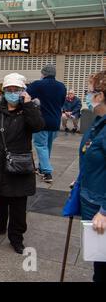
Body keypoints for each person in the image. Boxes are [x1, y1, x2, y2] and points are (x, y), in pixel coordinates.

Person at [0, 73, 45, 254]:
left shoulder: (29, 109)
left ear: (23, 91)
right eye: (9, 90)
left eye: (16, 90)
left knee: (18, 204)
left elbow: (38, 126)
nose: (12, 93)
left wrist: (28, 104)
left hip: (18, 164)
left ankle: (16, 237)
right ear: (3, 91)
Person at [78, 70, 106, 282]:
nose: (87, 96)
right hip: (92, 197)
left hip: (100, 207)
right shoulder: (99, 122)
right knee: (99, 265)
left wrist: (105, 211)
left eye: (89, 91)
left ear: (100, 95)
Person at [26, 64, 66, 183]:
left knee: (40, 145)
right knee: (47, 146)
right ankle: (42, 168)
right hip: (55, 121)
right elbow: (62, 103)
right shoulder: (61, 86)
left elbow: (26, 97)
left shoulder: (38, 84)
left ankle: (47, 172)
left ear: (43, 73)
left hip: (41, 121)